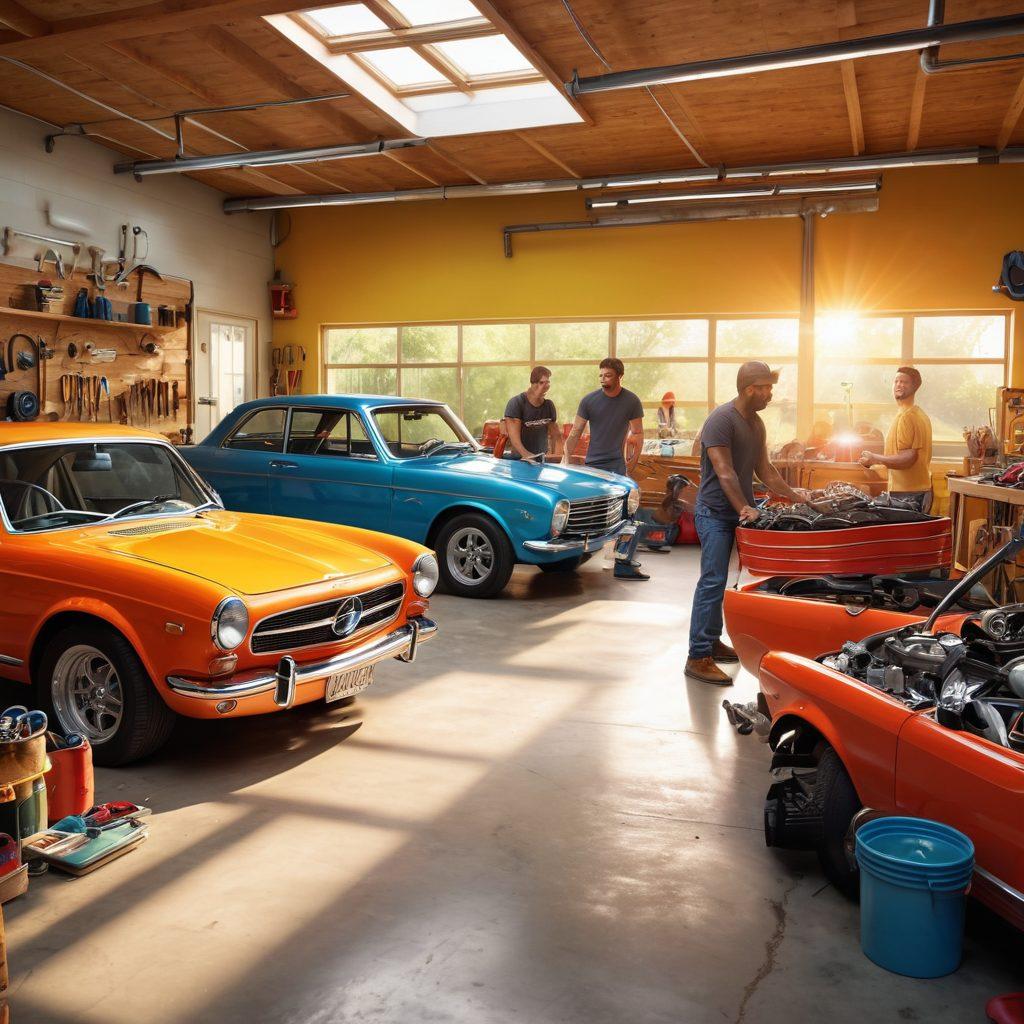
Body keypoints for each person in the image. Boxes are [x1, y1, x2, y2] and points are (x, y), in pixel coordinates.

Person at [685, 362, 810, 685]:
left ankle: (711, 640)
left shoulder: (756, 424)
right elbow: (724, 471)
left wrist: (798, 497)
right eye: (765, 388)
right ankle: (697, 655)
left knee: (727, 583)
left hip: (738, 514)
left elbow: (765, 471)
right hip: (714, 512)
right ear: (748, 388)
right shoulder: (721, 420)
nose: (770, 394)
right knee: (712, 580)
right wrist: (744, 508)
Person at [563, 358, 647, 580]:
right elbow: (575, 432)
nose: (603, 380)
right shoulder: (589, 401)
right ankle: (573, 557)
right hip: (593, 467)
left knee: (628, 513)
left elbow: (637, 433)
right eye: (600, 375)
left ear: (620, 376)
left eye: (608, 375)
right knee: (590, 514)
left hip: (617, 466)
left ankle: (622, 562)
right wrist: (566, 458)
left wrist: (634, 461)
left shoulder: (631, 401)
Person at [858, 367, 933, 511]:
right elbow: (905, 459)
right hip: (918, 490)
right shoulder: (916, 414)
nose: (899, 385)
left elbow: (908, 458)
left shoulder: (908, 417)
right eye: (896, 381)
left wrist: (875, 458)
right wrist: (874, 464)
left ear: (915, 387)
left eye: (905, 382)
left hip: (908, 494)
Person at [503, 366, 563, 462]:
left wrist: (556, 457)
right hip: (520, 460)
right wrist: (528, 456)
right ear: (533, 384)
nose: (545, 386)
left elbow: (556, 436)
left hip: (541, 460)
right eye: (541, 382)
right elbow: (515, 440)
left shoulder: (548, 405)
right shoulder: (517, 403)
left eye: (548, 382)